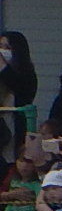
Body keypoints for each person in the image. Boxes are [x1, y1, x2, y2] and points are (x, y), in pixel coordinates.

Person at [1, 31, 36, 160]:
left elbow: (20, 87)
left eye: (7, 47)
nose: (2, 51)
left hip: (16, 128)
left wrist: (3, 66)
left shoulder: (27, 73)